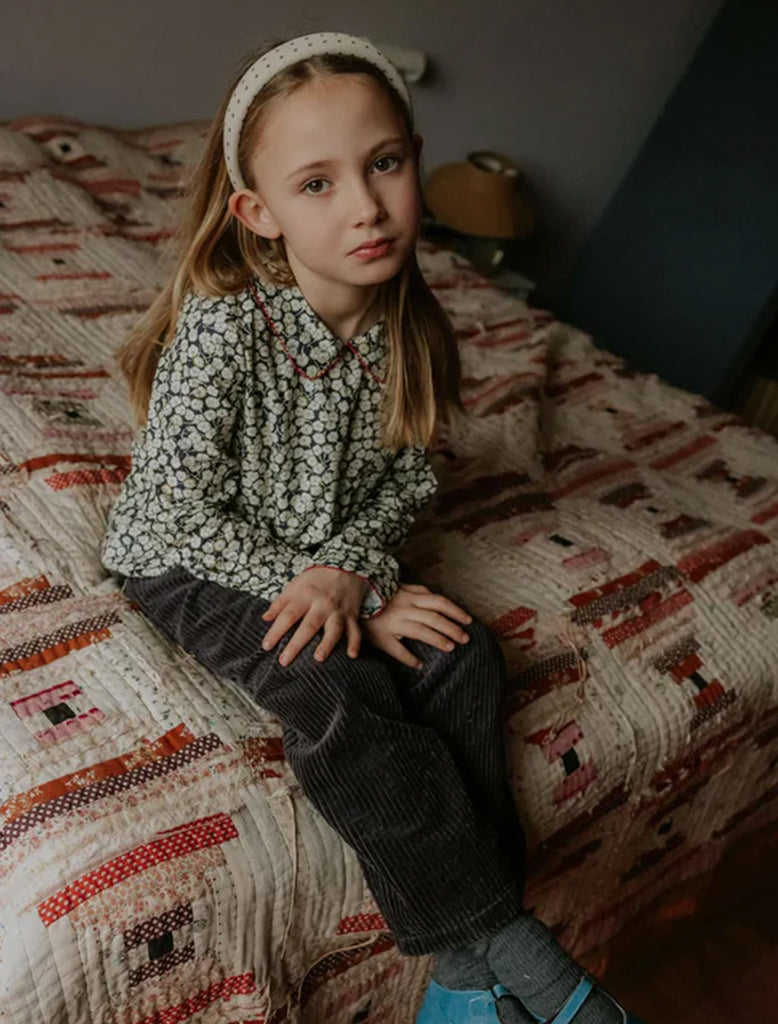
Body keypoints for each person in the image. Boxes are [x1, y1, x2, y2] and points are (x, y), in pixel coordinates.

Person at [100, 31, 646, 1024]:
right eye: (317, 183)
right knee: (331, 680)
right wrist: (320, 585)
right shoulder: (226, 328)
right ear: (257, 215)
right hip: (188, 558)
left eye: (384, 163)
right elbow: (174, 510)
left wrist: (357, 574)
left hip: (328, 562)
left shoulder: (410, 322)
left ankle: (457, 980)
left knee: (463, 656)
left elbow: (405, 481)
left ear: (413, 161)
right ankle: (522, 955)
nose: (363, 205)